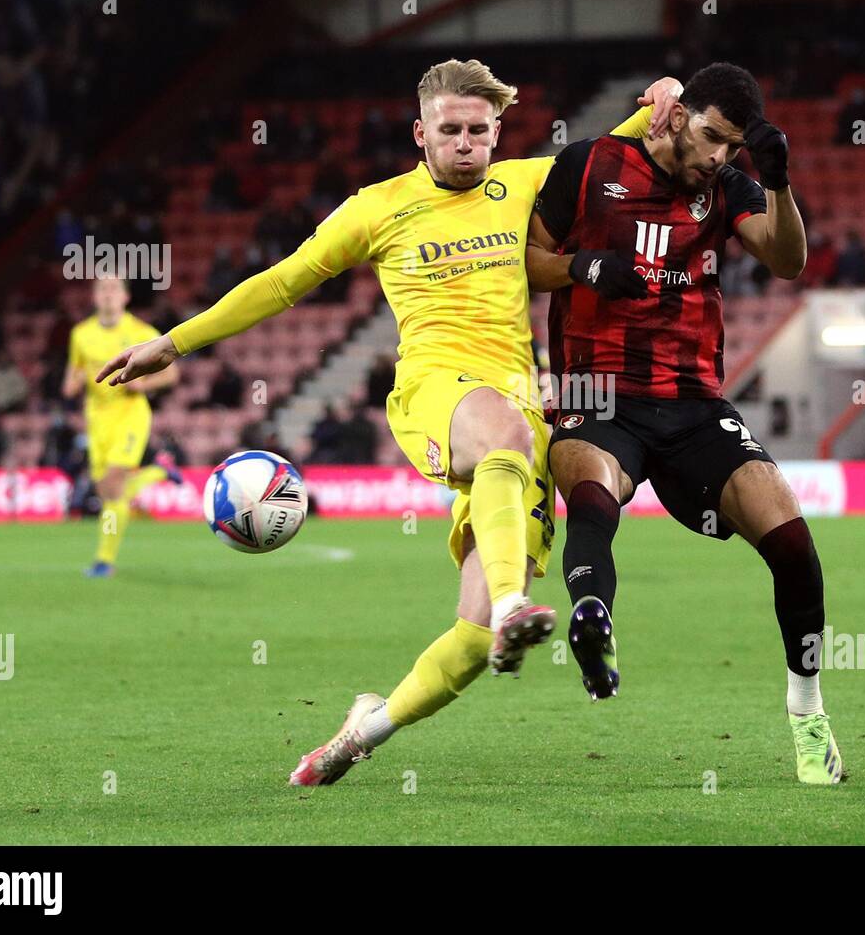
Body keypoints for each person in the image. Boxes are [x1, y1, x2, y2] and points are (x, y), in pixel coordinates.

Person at [95, 58, 681, 787]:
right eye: (450, 131)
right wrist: (173, 341)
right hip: (435, 392)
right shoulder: (377, 207)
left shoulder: (525, 182)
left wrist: (662, 102)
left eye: (478, 130)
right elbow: (282, 283)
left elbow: (608, 153)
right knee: (504, 447)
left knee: (468, 645)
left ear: (497, 132)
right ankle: (512, 606)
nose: (466, 143)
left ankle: (361, 730)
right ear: (420, 134)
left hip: (517, 415)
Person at [524, 62, 842, 785]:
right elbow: (527, 264)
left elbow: (787, 260)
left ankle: (808, 711)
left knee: (792, 540)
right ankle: (594, 617)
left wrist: (780, 182)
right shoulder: (589, 164)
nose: (717, 157)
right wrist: (584, 269)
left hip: (694, 403)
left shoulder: (727, 185)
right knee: (593, 494)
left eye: (733, 146)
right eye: (711, 138)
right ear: (673, 116)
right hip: (597, 393)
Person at [63, 274, 182, 577]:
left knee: (114, 486)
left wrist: (145, 385)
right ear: (94, 296)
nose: (107, 294)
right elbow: (71, 379)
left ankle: (104, 561)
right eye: (102, 289)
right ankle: (157, 472)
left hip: (130, 414)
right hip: (97, 420)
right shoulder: (81, 334)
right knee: (107, 493)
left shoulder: (142, 332)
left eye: (114, 289)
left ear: (125, 297)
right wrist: (73, 384)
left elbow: (171, 374)